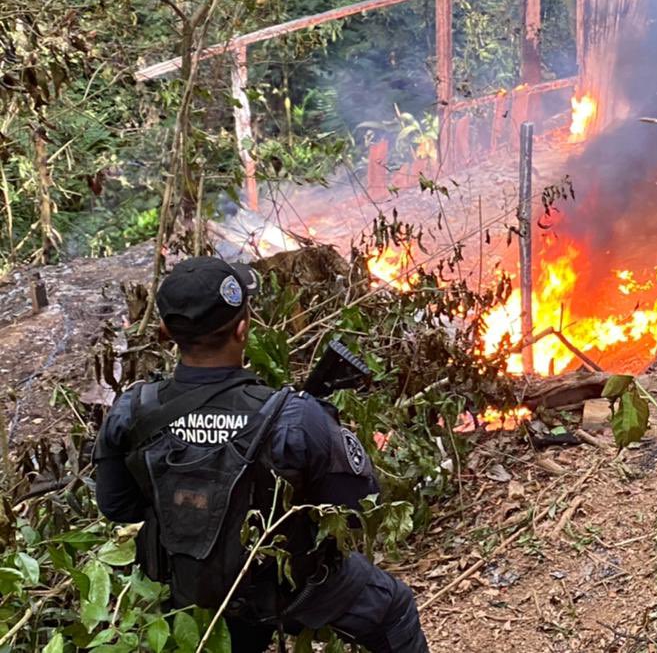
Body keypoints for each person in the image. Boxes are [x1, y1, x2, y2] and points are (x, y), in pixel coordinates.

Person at [93, 256, 429, 653]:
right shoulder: (295, 417)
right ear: (243, 328)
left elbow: (117, 506)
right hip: (291, 588)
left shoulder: (132, 411)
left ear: (165, 331)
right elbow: (358, 508)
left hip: (192, 591)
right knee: (394, 608)